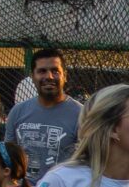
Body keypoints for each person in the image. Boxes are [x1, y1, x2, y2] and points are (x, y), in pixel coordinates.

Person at [6, 47, 83, 180]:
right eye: (42, 71)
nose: (49, 76)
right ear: (32, 77)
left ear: (65, 76)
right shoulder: (17, 112)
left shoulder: (82, 114)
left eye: (55, 71)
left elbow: (88, 163)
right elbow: (8, 158)